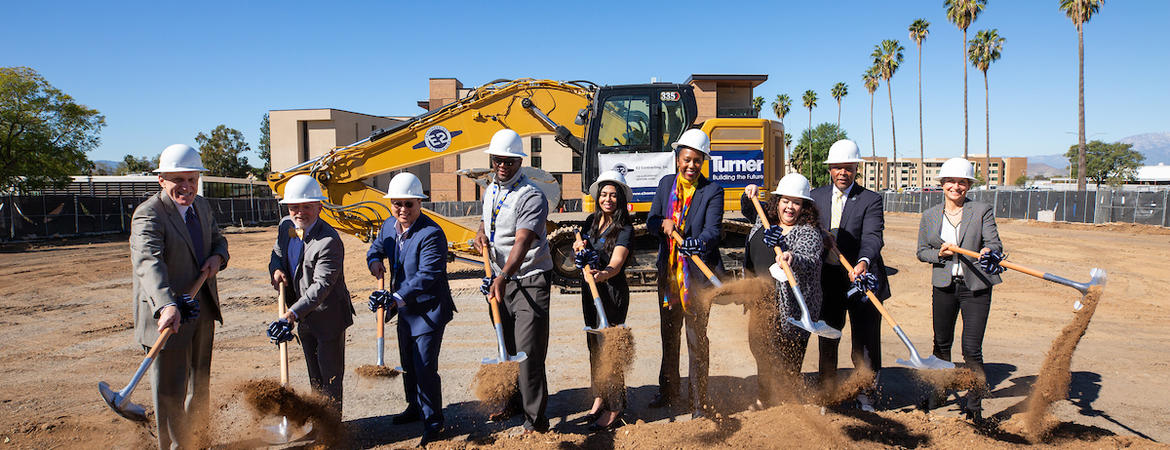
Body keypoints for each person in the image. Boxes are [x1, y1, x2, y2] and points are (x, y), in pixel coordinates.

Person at [130, 144, 229, 449]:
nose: (186, 186)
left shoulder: (202, 206)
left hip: (202, 310)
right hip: (168, 316)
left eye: (192, 179)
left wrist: (218, 257)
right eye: (178, 180)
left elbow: (217, 240)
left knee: (200, 383)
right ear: (162, 180)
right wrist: (166, 304)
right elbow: (148, 262)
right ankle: (173, 447)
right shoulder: (149, 214)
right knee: (170, 390)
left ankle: (198, 440)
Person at [473, 129, 553, 434]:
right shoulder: (490, 188)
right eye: (498, 159)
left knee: (528, 352)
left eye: (509, 160)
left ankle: (536, 421)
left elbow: (523, 241)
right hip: (499, 280)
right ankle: (515, 403)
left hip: (528, 280)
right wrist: (482, 231)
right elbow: (487, 217)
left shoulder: (531, 195)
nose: (502, 165)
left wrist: (505, 275)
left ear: (520, 161)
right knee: (506, 345)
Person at [366, 173, 456, 446]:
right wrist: (374, 262)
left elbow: (428, 275)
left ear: (419, 202)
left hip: (428, 312)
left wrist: (395, 297)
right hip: (405, 311)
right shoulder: (389, 227)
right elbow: (375, 249)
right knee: (409, 364)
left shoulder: (431, 233)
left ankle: (434, 422)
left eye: (409, 204)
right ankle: (415, 407)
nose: (402, 210)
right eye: (397, 204)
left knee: (425, 367)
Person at [915, 158, 1003, 425]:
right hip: (944, 286)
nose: (956, 186)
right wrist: (938, 254)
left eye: (962, 182)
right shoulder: (930, 216)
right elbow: (921, 252)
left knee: (971, 349)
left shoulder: (981, 211)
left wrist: (989, 252)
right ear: (942, 184)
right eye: (951, 181)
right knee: (941, 345)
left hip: (975, 287)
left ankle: (974, 405)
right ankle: (940, 392)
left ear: (968, 186)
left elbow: (994, 243)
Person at [646, 128, 724, 418]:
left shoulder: (712, 190)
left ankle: (698, 401)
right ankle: (668, 391)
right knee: (669, 336)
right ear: (678, 158)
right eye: (687, 160)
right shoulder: (666, 184)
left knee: (696, 339)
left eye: (697, 161)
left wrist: (697, 242)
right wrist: (662, 223)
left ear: (703, 162)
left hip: (697, 280)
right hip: (669, 277)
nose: (691, 166)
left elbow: (713, 230)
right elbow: (651, 222)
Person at [811, 139, 890, 412]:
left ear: (856, 168)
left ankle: (865, 395)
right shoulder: (815, 196)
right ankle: (828, 395)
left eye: (848, 167)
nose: (843, 173)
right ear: (830, 169)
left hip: (862, 280)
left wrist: (864, 261)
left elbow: (872, 236)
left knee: (865, 343)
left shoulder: (870, 199)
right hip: (829, 282)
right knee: (829, 338)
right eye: (837, 168)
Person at [267, 174, 354, 410]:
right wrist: (276, 270)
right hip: (303, 316)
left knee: (330, 377)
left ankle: (333, 430)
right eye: (294, 207)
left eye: (307, 206)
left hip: (328, 316)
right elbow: (277, 255)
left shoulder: (328, 241)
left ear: (319, 206)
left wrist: (292, 314)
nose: (299, 212)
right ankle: (319, 422)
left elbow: (321, 286)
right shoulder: (286, 226)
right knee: (314, 375)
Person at [740, 174, 826, 409]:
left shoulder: (807, 232)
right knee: (760, 350)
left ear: (804, 207)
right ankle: (764, 397)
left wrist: (791, 257)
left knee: (787, 358)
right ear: (777, 201)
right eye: (785, 201)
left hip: (789, 308)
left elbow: (811, 259)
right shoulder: (763, 221)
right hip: (759, 301)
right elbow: (747, 206)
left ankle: (787, 404)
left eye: (796, 203)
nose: (790, 207)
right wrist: (748, 193)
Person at [572, 170, 635, 431]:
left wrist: (603, 273)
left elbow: (617, 264)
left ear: (620, 200)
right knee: (594, 347)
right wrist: (580, 249)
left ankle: (616, 406)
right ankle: (600, 396)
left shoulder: (625, 229)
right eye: (604, 194)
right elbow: (583, 246)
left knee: (611, 349)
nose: (607, 199)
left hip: (611, 293)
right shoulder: (590, 221)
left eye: (613, 196)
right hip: (590, 292)